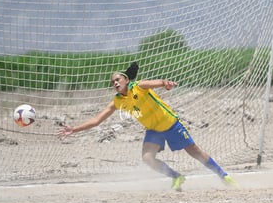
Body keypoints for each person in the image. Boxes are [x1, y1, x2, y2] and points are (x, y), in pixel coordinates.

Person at [56, 62, 238, 191]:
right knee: (147, 158)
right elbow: (96, 120)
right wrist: (74, 129)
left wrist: (166, 84)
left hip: (170, 123)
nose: (115, 83)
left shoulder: (139, 87)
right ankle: (176, 177)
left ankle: (224, 176)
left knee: (195, 151)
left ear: (126, 80)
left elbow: (158, 82)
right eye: (113, 82)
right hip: (153, 130)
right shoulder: (118, 101)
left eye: (118, 79)